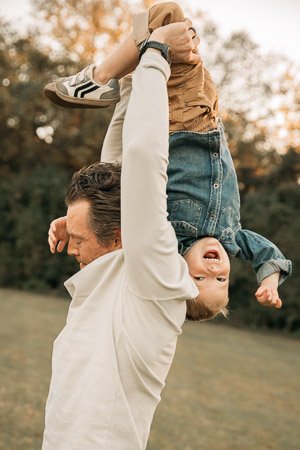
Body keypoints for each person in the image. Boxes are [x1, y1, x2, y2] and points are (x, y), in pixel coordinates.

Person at [46, 2, 292, 320]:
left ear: (176, 268)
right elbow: (269, 257)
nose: (214, 269)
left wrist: (78, 224)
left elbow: (128, 214)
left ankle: (98, 78)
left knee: (167, 18)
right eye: (222, 279)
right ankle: (105, 76)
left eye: (200, 278)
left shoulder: (169, 234)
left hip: (178, 123)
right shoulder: (234, 239)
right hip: (209, 121)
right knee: (180, 34)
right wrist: (269, 284)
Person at [43, 20, 201, 450]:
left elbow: (142, 156)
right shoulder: (111, 272)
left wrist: (156, 56)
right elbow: (117, 168)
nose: (69, 248)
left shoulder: (153, 277)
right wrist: (130, 84)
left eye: (79, 241)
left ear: (120, 235)